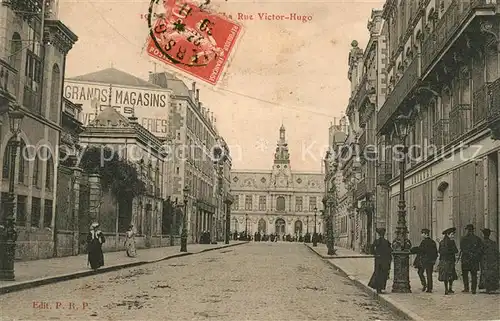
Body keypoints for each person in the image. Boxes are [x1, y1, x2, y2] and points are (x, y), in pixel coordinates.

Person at [459, 224, 483, 294]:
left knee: (465, 274)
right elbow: (480, 249)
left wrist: (469, 253)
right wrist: (475, 255)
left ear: (467, 230)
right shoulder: (478, 239)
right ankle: (473, 290)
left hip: (466, 259)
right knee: (474, 274)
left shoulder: (463, 239)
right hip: (474, 259)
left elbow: (462, 249)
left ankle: (466, 288)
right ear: (473, 230)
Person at [412, 228, 438, 293]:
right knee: (429, 274)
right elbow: (435, 253)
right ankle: (429, 288)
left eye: (422, 233)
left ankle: (424, 285)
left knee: (420, 273)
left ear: (426, 234)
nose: (421, 235)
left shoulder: (424, 242)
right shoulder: (433, 242)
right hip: (430, 261)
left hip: (424, 261)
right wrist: (434, 260)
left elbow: (420, 250)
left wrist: (412, 250)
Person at [368, 228, 392, 294]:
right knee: (383, 274)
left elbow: (371, 249)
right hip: (385, 260)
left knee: (378, 273)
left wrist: (375, 254)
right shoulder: (387, 242)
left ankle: (378, 288)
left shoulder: (377, 241)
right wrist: (389, 260)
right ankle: (380, 288)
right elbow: (390, 252)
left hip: (378, 260)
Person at [438, 227, 458, 295]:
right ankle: (450, 288)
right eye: (452, 234)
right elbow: (456, 250)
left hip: (443, 261)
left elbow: (440, 251)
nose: (453, 236)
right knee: (451, 275)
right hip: (450, 261)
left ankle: (446, 289)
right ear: (448, 234)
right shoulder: (452, 242)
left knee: (445, 275)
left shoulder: (441, 242)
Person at [479, 228, 499, 293]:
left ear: (483, 235)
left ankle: (486, 287)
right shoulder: (493, 243)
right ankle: (491, 286)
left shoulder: (481, 243)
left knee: (485, 272)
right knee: (491, 272)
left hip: (484, 260)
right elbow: (497, 253)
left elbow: (479, 252)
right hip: (492, 260)